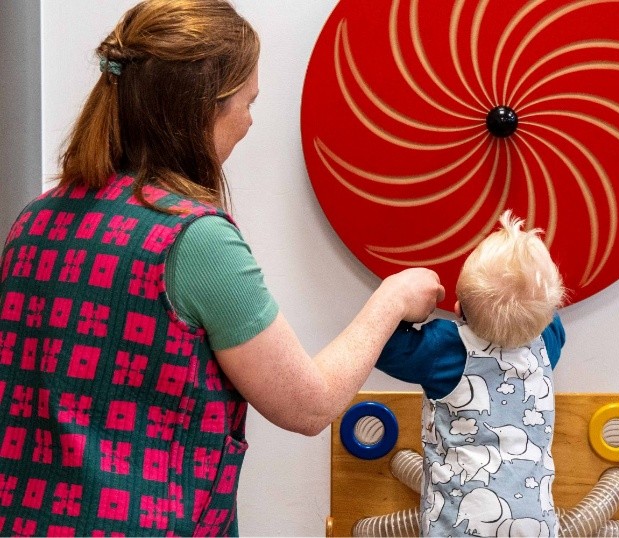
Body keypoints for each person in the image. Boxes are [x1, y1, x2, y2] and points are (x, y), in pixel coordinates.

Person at [0, 1, 444, 536]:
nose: (250, 121)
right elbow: (307, 405)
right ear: (203, 107)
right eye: (247, 101)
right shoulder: (195, 241)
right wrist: (392, 297)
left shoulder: (33, 222)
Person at [376, 210, 566, 537]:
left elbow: (379, 345)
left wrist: (402, 301)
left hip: (461, 529)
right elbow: (550, 321)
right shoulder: (546, 344)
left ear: (458, 309)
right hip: (536, 528)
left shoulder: (449, 349)